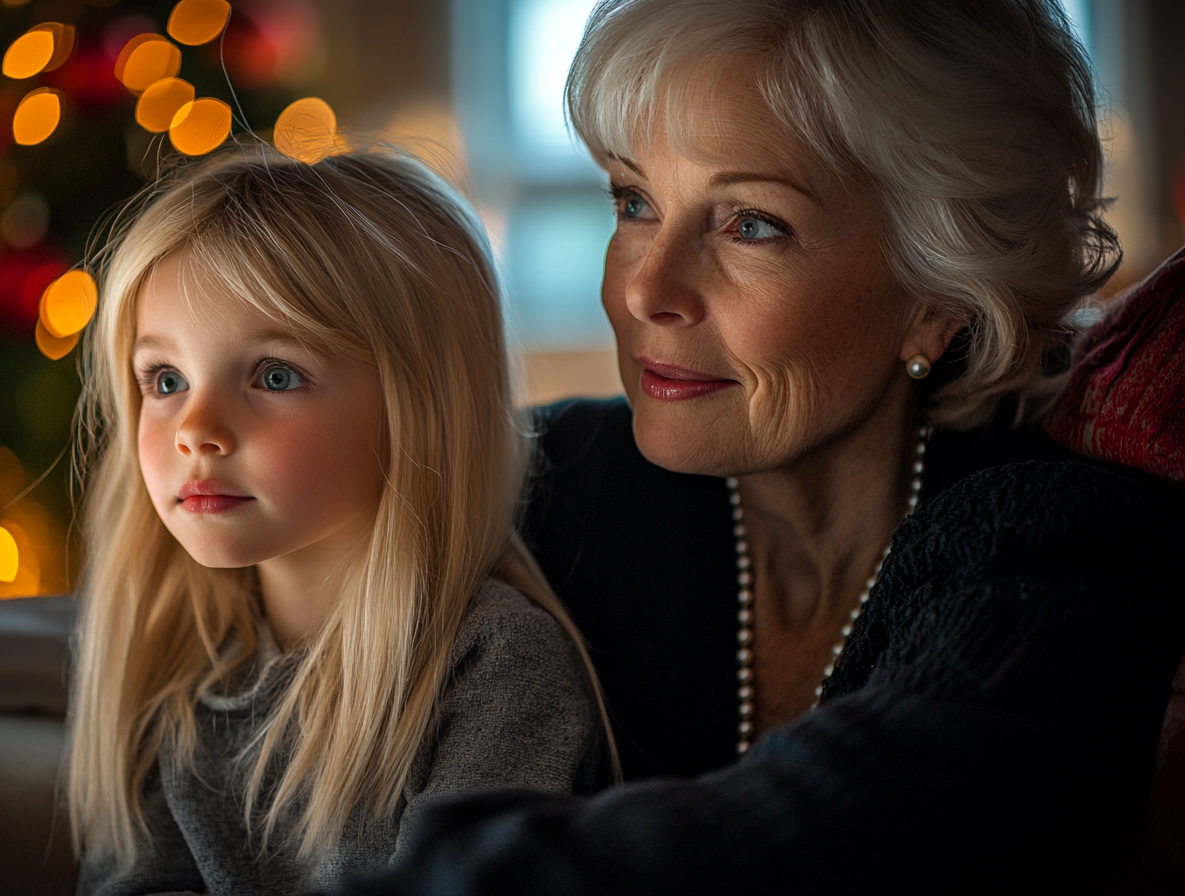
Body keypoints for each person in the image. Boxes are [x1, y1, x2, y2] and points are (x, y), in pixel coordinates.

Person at [327, 0, 1185, 892]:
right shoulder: (537, 481)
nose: (646, 290)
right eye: (635, 202)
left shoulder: (1060, 538)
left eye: (751, 225)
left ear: (940, 286)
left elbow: (862, 827)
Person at [65, 146, 613, 895]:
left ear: (419, 409)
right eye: (165, 379)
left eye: (275, 375)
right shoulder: (177, 664)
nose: (196, 429)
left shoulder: (495, 667)